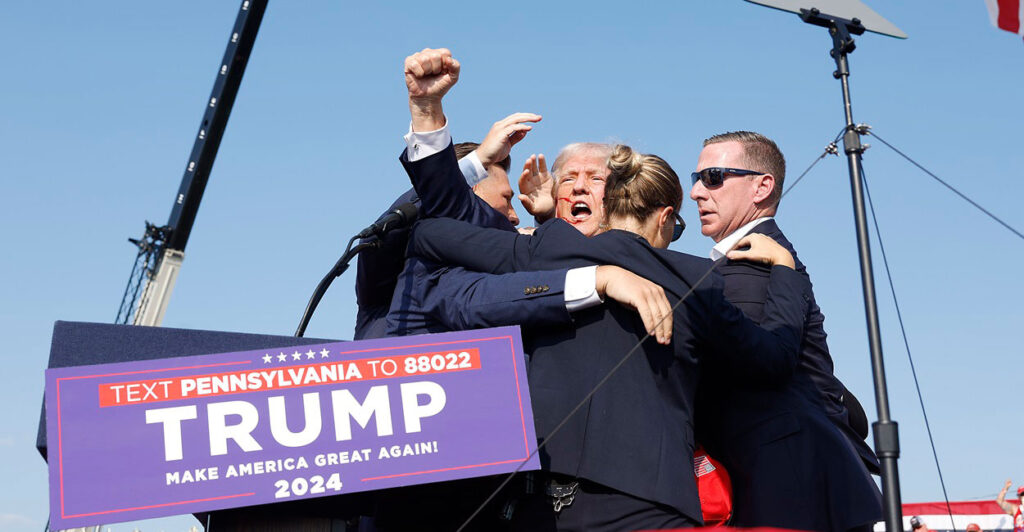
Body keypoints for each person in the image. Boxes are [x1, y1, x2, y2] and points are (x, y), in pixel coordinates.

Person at [407, 144, 813, 530]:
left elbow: (428, 234)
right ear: (665, 217)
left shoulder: (550, 249)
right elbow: (773, 359)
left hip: (540, 504)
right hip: (646, 503)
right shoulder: (696, 279)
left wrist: (529, 238)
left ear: (608, 207)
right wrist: (786, 270)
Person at [688, 130, 882, 531]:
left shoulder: (755, 261)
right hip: (804, 481)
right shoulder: (764, 258)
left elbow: (757, 363)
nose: (696, 192)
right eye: (696, 178)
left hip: (789, 487)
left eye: (713, 177)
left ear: (761, 187)